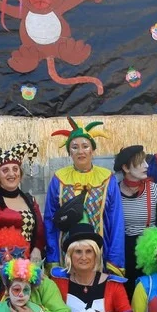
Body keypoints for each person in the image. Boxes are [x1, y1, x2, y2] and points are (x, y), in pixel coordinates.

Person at [51, 222, 139, 312]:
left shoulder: (113, 285)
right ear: (70, 255)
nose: (84, 257)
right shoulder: (58, 282)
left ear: (96, 254)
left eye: (89, 251)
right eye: (78, 251)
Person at [45, 118, 125, 275]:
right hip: (66, 253)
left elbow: (116, 221)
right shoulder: (59, 179)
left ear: (92, 150)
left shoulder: (107, 178)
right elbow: (49, 220)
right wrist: (53, 259)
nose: (80, 151)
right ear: (69, 152)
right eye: (75, 147)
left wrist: (114, 260)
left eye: (85, 146)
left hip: (98, 252)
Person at [0, 142, 43, 262]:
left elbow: (39, 231)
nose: (11, 174)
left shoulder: (30, 200)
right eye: (5, 170)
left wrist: (37, 249)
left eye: (15, 169)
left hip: (27, 266)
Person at [114, 144, 157, 292]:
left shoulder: (155, 190)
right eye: (140, 162)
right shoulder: (114, 191)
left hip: (149, 251)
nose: (147, 166)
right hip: (124, 251)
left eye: (145, 161)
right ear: (126, 167)